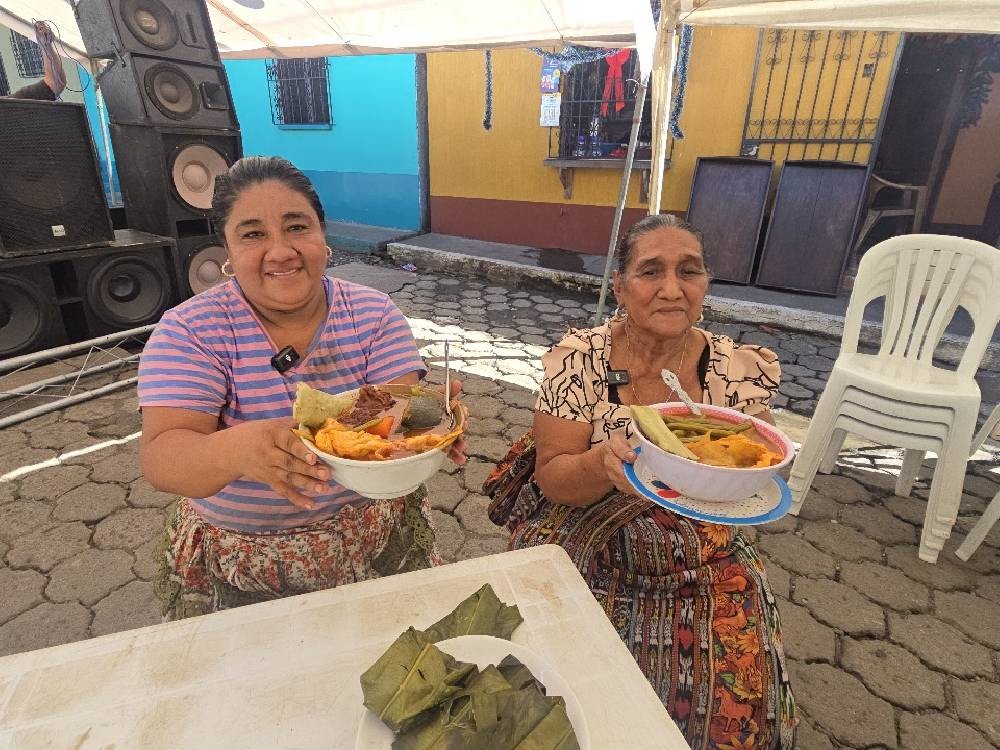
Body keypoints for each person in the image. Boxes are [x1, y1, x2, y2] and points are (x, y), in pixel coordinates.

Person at [485, 214, 796, 749]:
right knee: (557, 695)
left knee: (741, 706)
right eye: (651, 271)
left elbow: (750, 475)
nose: (672, 289)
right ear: (620, 287)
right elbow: (554, 476)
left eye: (689, 272)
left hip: (702, 554)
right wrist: (600, 465)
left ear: (705, 284)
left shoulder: (735, 369)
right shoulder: (581, 360)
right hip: (585, 531)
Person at [138, 156, 463, 618]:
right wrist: (236, 451)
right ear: (226, 249)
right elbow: (162, 458)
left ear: (322, 237)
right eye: (253, 234)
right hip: (246, 561)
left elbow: (395, 409)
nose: (281, 251)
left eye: (297, 227)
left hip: (376, 536)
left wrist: (431, 425)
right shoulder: (191, 331)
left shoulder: (373, 314)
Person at [6, 22, 66, 101]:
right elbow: (54, 86)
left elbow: (55, 85)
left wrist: (46, 45)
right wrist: (45, 46)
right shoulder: (9, 105)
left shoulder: (9, 102)